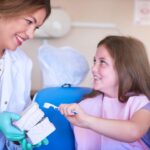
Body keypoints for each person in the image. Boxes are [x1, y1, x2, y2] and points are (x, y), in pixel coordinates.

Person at [59, 35, 150, 150]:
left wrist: (86, 121)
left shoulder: (142, 103)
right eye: (94, 61)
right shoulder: (85, 105)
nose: (93, 69)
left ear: (126, 68)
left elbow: (134, 131)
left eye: (102, 62)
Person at [0, 0, 51, 150]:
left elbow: (19, 115)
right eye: (29, 21)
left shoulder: (23, 62)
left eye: (36, 28)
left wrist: (23, 135)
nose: (31, 34)